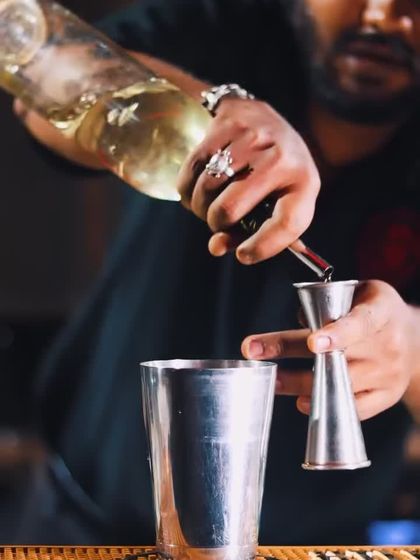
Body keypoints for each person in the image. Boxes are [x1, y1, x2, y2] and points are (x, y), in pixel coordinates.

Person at [9, 0, 420, 547]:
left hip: (320, 547)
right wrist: (215, 108)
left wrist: (412, 349)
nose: (381, 15)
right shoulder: (224, 24)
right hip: (84, 522)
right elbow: (40, 70)